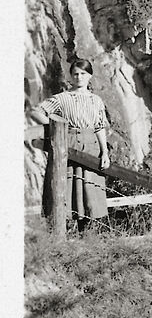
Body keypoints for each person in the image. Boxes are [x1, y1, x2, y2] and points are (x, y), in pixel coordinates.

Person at [31, 61, 112, 231]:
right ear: (71, 76)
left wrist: (104, 152)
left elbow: (99, 127)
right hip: (69, 144)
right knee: (68, 188)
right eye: (75, 74)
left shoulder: (96, 101)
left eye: (83, 74)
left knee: (90, 190)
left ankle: (89, 235)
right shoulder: (62, 98)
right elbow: (36, 111)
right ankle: (60, 235)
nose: (79, 77)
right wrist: (56, 127)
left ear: (90, 76)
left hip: (92, 147)